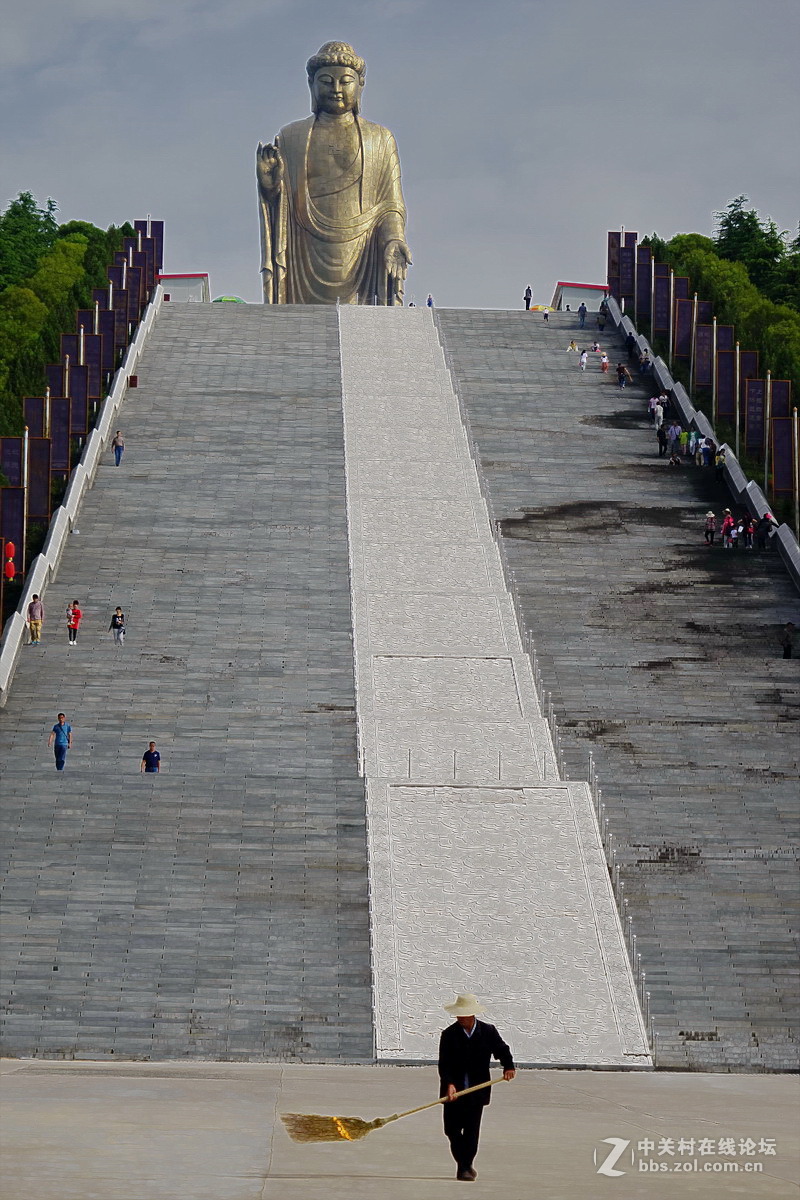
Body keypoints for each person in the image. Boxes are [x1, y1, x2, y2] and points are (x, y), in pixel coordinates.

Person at [256, 42, 411, 305]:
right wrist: (270, 188)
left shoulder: (380, 139)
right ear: (311, 84)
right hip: (304, 247)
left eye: (345, 81)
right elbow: (282, 204)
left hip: (362, 252)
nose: (336, 89)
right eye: (326, 81)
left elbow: (390, 206)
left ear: (360, 85)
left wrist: (394, 238)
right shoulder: (291, 136)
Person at [438, 992, 515, 1182]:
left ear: (472, 1014)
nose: (460, 1018)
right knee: (451, 1130)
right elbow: (444, 1064)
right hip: (453, 1092)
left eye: (464, 1014)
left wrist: (509, 1066)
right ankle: (464, 1163)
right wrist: (449, 1084)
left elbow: (502, 1049)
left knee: (471, 1131)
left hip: (476, 1091)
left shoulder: (487, 1032)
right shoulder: (449, 1035)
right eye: (458, 1015)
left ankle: (464, 1167)